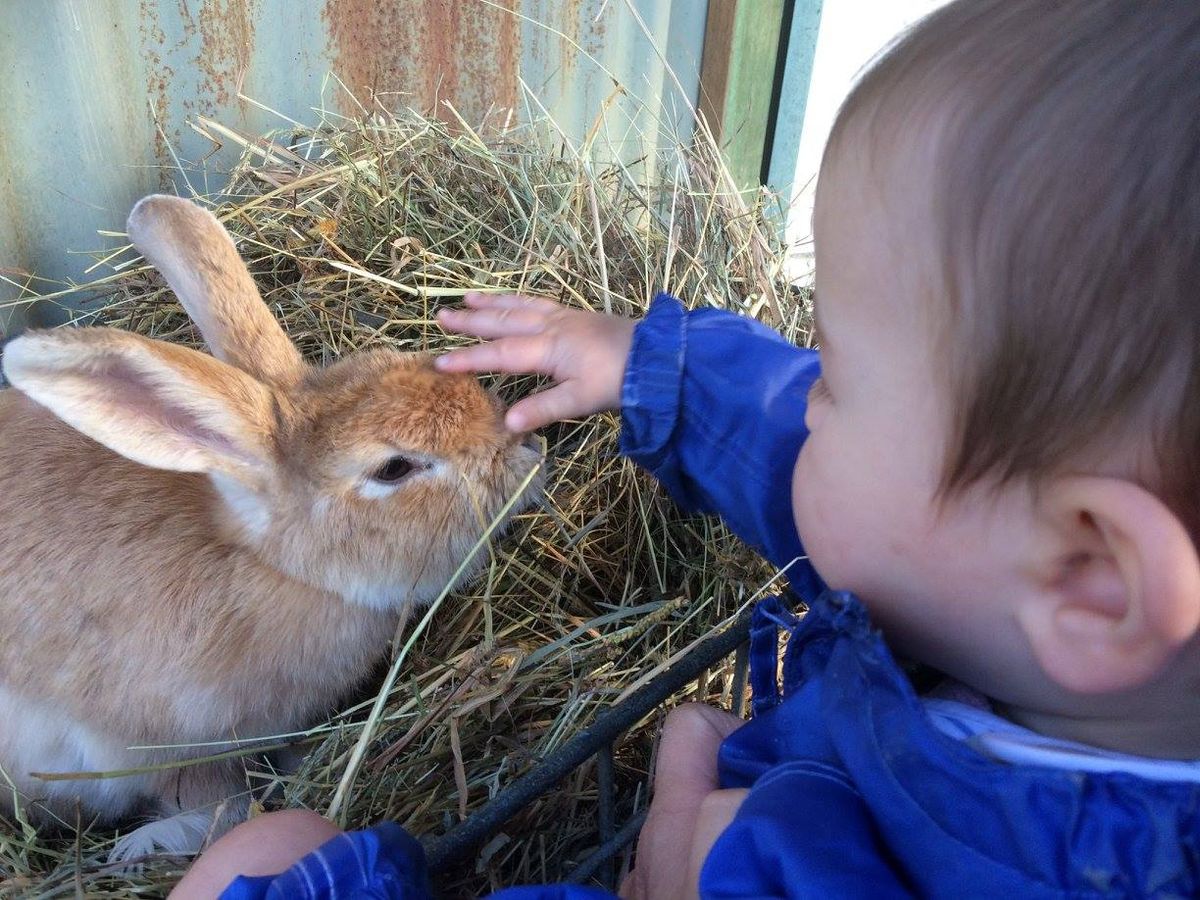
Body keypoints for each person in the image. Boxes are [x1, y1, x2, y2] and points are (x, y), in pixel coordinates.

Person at [173, 0, 1200, 895]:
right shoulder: (1004, 597)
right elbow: (818, 460)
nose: (808, 399)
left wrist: (685, 834)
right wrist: (652, 367)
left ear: (1093, 577)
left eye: (833, 376)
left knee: (264, 858)